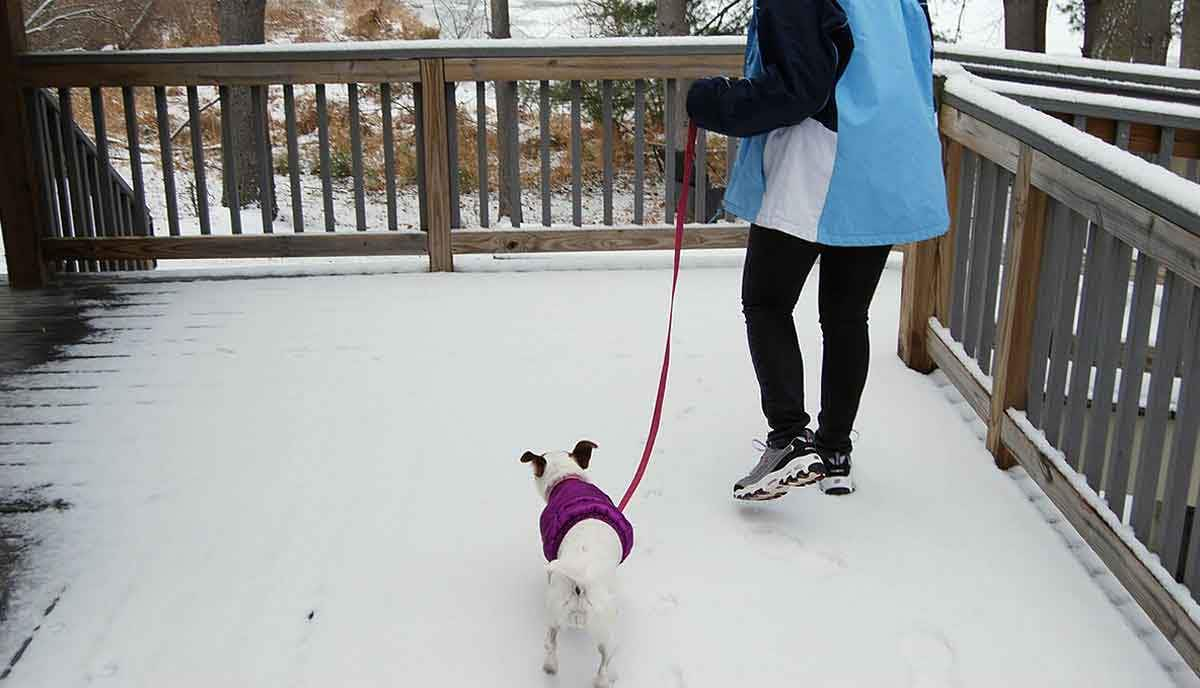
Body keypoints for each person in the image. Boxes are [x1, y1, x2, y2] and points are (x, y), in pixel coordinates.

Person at [686, 0, 948, 500]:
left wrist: (714, 102)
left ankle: (789, 439)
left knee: (766, 300)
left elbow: (798, 89)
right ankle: (833, 450)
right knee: (847, 315)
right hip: (886, 155)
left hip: (820, 161)